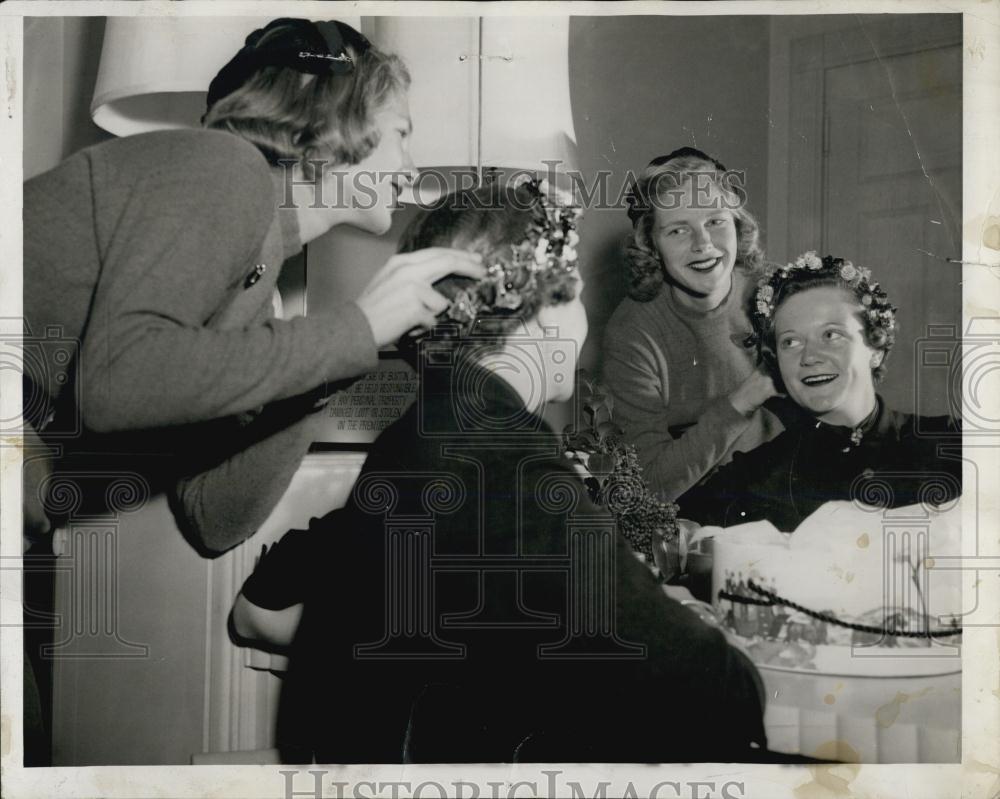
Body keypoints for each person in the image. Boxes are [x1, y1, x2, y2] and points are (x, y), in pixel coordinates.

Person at [231, 179, 768, 763]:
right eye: (576, 297)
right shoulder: (501, 457)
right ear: (544, 307)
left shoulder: (424, 435)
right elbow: (716, 694)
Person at [22, 18, 484, 552]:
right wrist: (353, 330)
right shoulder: (222, 165)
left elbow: (215, 517)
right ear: (332, 112)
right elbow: (113, 381)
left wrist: (332, 367)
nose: (409, 167)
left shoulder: (255, 291)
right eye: (402, 133)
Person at [677, 252, 962, 531]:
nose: (809, 356)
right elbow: (670, 529)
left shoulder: (956, 444)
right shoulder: (757, 474)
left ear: (875, 348)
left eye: (831, 335)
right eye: (790, 342)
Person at [602, 148, 784, 501]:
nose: (703, 245)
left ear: (737, 224)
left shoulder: (777, 293)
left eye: (715, 221)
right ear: (650, 244)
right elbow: (649, 486)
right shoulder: (633, 332)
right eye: (678, 230)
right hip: (703, 509)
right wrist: (746, 397)